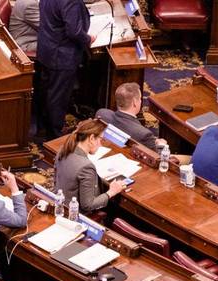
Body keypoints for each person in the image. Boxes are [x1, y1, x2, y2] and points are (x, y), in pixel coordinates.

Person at [37, 0, 92, 137]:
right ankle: (54, 135)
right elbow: (74, 32)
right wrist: (88, 38)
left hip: (46, 49)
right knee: (58, 97)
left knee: (46, 92)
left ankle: (42, 128)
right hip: (62, 55)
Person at [53, 119, 126, 213]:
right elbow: (88, 205)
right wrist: (111, 192)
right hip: (75, 213)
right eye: (100, 139)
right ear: (91, 138)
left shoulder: (63, 150)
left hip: (61, 204)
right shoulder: (86, 167)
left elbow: (55, 181)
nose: (100, 145)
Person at [95, 82, 159, 151]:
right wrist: (161, 146)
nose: (141, 101)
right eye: (140, 99)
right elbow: (156, 158)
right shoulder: (144, 135)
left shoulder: (102, 114)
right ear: (134, 102)